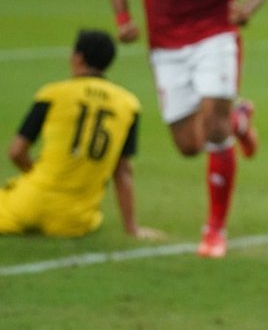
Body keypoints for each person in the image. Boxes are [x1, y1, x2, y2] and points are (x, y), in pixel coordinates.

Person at [106, 0, 268, 258]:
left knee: (212, 134)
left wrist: (247, 7)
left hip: (215, 32)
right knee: (187, 145)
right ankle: (237, 119)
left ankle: (215, 229)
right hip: (166, 42)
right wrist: (123, 16)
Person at [0, 30, 160, 239]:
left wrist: (36, 175)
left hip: (28, 206)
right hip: (76, 220)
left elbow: (16, 153)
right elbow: (123, 171)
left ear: (78, 57)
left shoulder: (53, 94)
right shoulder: (128, 104)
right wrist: (132, 228)